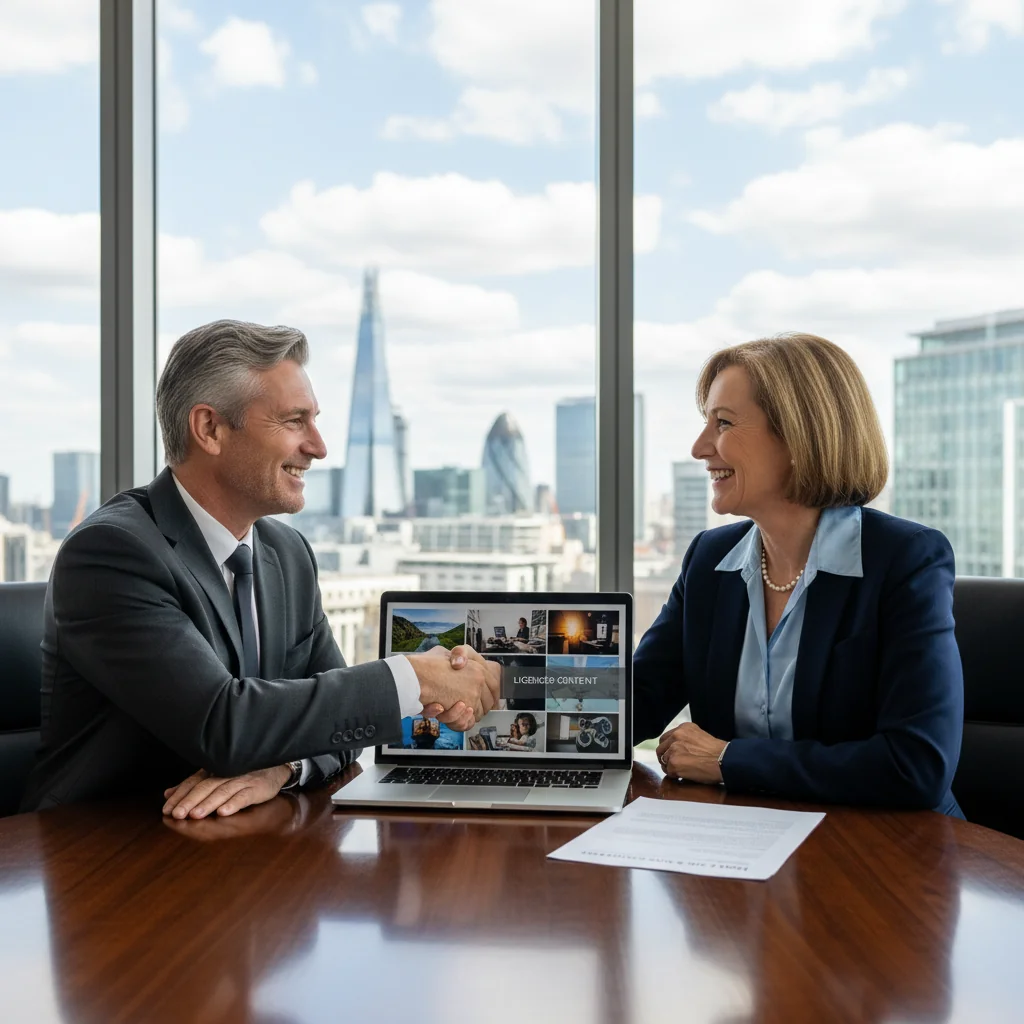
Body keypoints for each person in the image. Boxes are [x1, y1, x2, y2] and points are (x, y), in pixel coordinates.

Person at [22, 320, 499, 816]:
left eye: (314, 420)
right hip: (105, 841)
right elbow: (222, 724)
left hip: (236, 838)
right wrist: (413, 678)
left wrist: (284, 766)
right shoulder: (111, 553)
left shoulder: (287, 553)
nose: (318, 447)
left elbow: (339, 726)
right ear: (210, 429)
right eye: (294, 421)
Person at [635, 333, 964, 815]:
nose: (699, 447)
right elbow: (635, 703)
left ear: (797, 437)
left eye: (723, 423)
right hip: (741, 837)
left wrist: (728, 760)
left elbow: (915, 766)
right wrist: (522, 682)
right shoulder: (710, 560)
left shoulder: (904, 560)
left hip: (884, 845)